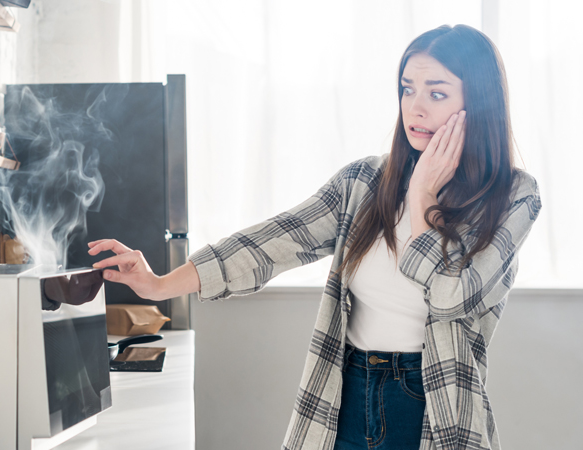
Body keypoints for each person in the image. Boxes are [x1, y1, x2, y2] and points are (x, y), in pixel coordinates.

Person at [88, 24, 542, 450]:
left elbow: (449, 296)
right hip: (345, 389)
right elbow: (271, 242)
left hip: (431, 403)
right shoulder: (365, 181)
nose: (415, 107)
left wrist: (423, 194)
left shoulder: (513, 197)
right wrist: (160, 284)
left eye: (436, 93)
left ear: (478, 103)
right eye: (407, 89)